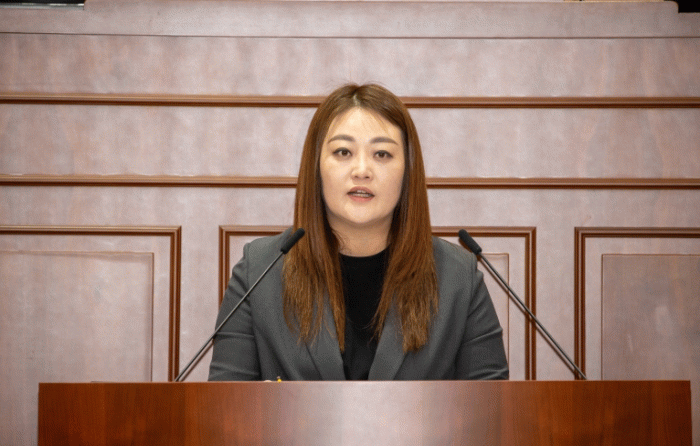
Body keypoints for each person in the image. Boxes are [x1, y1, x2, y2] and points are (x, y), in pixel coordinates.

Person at [208, 84, 508, 381]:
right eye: (343, 152)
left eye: (382, 154)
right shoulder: (259, 272)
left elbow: (490, 406)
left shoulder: (458, 278)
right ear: (316, 167)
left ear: (408, 171)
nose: (362, 170)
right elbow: (225, 403)